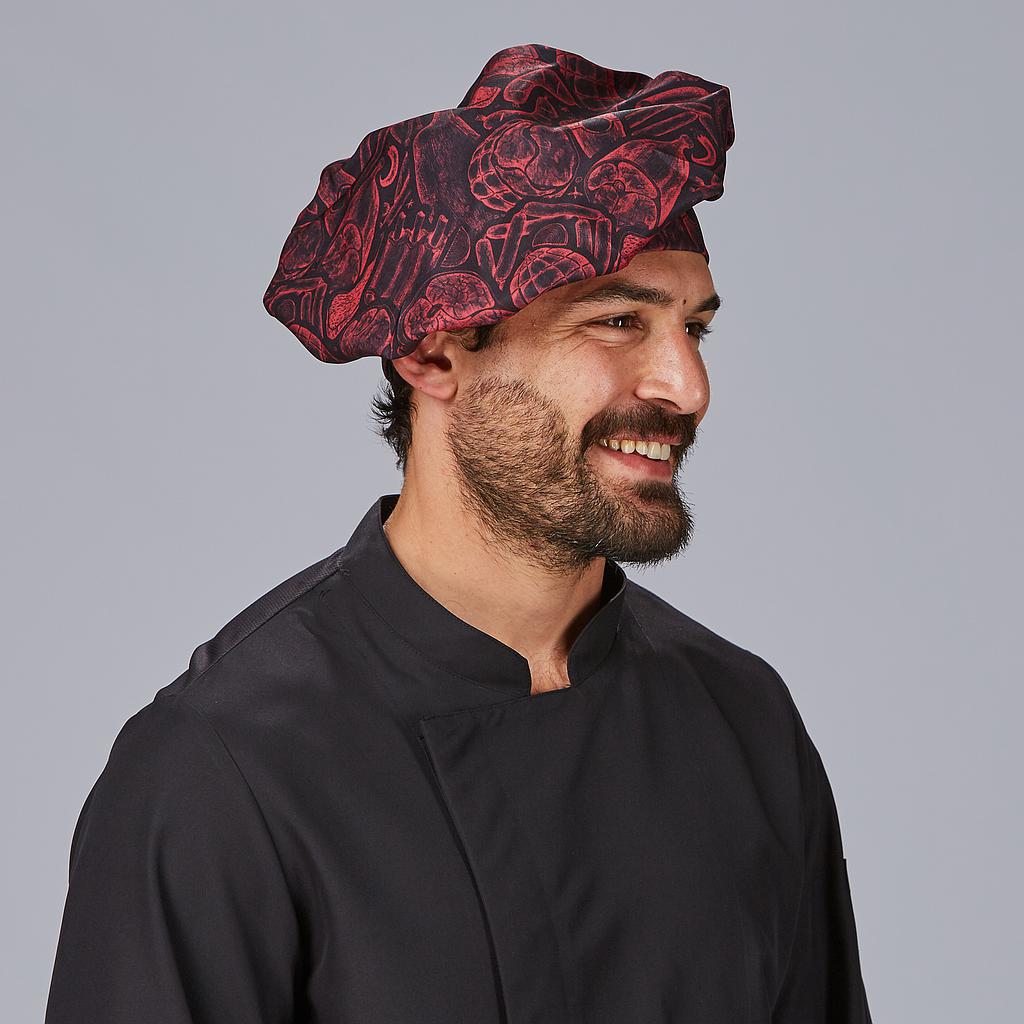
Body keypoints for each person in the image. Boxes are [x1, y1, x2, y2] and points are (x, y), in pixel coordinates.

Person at [44, 42, 873, 1023]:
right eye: (617, 321)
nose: (687, 386)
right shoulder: (223, 772)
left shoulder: (741, 721)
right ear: (435, 352)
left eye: (694, 328)